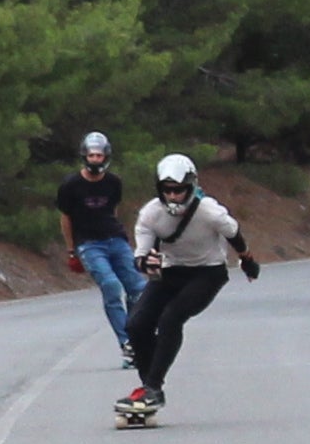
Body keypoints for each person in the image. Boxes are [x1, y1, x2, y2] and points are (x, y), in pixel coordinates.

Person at [122, 153, 259, 412]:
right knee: (136, 325)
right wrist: (145, 263)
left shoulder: (210, 211)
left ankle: (152, 385)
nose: (173, 196)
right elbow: (140, 254)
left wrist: (247, 260)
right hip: (171, 271)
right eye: (168, 190)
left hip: (208, 272)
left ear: (191, 186)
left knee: (171, 318)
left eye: (179, 190)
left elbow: (234, 234)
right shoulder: (150, 214)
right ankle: (151, 389)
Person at [55, 130, 140, 356]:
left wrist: (119, 235)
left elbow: (113, 209)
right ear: (85, 156)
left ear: (106, 157)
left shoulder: (113, 182)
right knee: (111, 287)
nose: (95, 160)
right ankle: (126, 343)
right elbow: (66, 218)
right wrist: (72, 250)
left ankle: (135, 335)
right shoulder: (70, 185)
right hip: (89, 244)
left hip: (115, 239)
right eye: (91, 155)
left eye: (99, 156)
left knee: (138, 289)